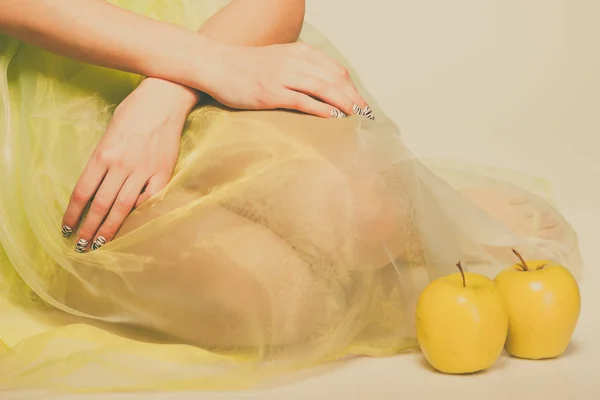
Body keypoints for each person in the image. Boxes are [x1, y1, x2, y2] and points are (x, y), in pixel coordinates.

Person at [0, 0, 582, 395]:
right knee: (287, 299)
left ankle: (408, 243)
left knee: (367, 217)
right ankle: (413, 262)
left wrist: (167, 94)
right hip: (33, 104)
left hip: (202, 54)